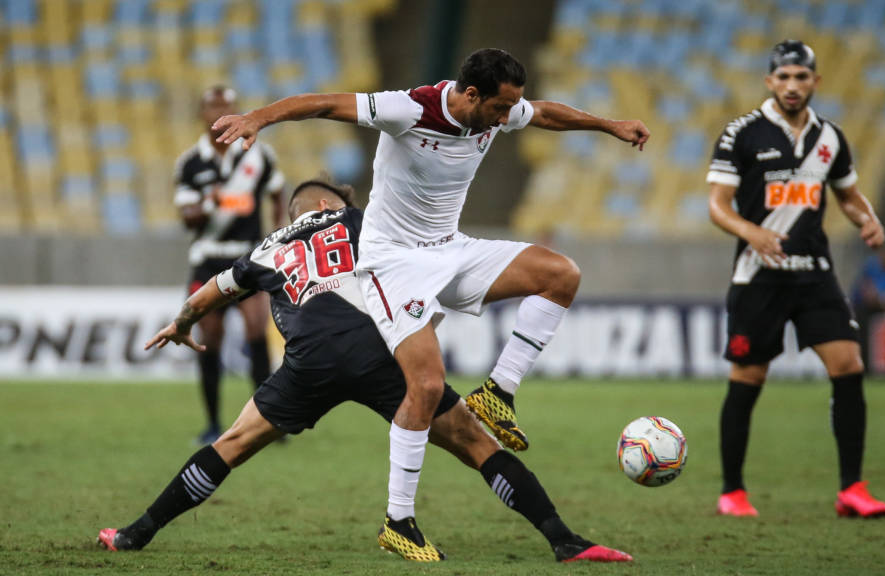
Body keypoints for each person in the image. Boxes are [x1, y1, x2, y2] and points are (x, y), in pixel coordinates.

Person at [211, 48, 650, 531]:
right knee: (426, 386)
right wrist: (257, 118)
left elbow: (544, 113)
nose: (507, 118)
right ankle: (399, 520)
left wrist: (610, 126)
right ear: (471, 94)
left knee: (561, 274)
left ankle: (499, 392)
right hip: (392, 262)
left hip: (449, 249)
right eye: (501, 108)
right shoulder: (409, 109)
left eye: (511, 108)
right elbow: (325, 103)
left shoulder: (499, 111)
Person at [97, 179, 632, 564]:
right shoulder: (364, 221)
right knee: (475, 442)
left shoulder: (264, 250)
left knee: (231, 444)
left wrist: (180, 323)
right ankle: (563, 539)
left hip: (309, 361)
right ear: (327, 204)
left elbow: (210, 292)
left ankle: (134, 535)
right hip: (378, 350)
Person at [705, 40, 885, 518]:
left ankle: (852, 489)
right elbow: (718, 206)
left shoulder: (830, 138)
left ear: (815, 82)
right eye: (784, 77)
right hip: (758, 277)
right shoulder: (742, 133)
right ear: (770, 81)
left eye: (801, 77)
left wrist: (867, 219)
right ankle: (732, 492)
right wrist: (753, 233)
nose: (792, 85)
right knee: (749, 376)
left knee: (848, 365)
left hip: (814, 274)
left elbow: (848, 195)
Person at [174, 85, 286, 444]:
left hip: (247, 257)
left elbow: (277, 192)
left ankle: (266, 423)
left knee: (257, 332)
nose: (221, 112)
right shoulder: (191, 162)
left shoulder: (259, 154)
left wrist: (279, 232)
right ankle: (212, 424)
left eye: (228, 106)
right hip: (208, 258)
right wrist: (212, 203)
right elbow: (187, 218)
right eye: (214, 106)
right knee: (210, 338)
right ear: (202, 113)